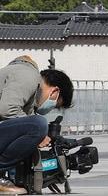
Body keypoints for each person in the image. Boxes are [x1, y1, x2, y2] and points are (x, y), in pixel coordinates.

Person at [0, 57, 72, 195]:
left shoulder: (25, 85)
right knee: (38, 125)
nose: (49, 108)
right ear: (55, 92)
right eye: (54, 105)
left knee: (35, 124)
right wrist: (39, 134)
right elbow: (7, 109)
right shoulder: (28, 76)